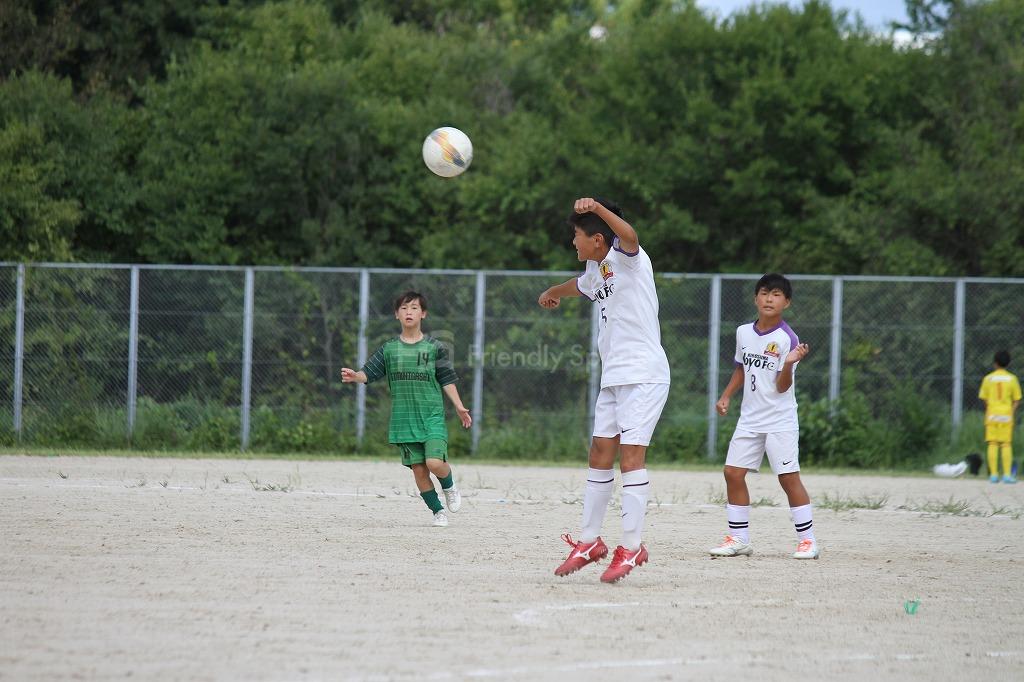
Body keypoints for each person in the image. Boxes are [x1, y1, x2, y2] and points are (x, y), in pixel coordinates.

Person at [538, 197, 670, 583]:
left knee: (631, 460)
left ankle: (631, 547)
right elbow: (576, 286)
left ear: (598, 238)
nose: (573, 243)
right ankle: (589, 542)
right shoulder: (596, 271)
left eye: (577, 236)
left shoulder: (628, 257)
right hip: (614, 377)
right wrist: (553, 292)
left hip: (644, 375)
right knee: (599, 453)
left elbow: (629, 234)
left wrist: (595, 206)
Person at [710, 273, 818, 560]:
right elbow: (740, 368)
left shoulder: (787, 338)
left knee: (787, 478)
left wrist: (788, 363)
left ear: (787, 302)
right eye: (764, 293)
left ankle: (807, 541)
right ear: (756, 297)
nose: (770, 299)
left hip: (779, 420)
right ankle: (739, 538)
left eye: (777, 295)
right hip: (750, 418)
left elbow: (783, 387)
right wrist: (726, 395)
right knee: (732, 473)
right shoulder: (744, 332)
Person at [341, 291, 472, 526]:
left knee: (434, 463)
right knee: (419, 471)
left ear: (423, 314)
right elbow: (368, 373)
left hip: (431, 416)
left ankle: (449, 485)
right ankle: (437, 511)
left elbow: (447, 379)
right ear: (396, 314)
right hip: (404, 419)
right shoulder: (389, 349)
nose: (408, 312)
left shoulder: (434, 347)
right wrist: (355, 376)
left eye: (413, 308)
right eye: (403, 308)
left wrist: (460, 406)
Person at [978, 350, 1021, 484]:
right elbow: (1017, 399)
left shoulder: (988, 378)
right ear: (1008, 363)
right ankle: (1007, 475)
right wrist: (1011, 411)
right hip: (1006, 415)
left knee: (992, 443)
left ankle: (994, 475)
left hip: (992, 414)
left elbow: (984, 398)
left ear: (995, 363)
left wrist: (990, 408)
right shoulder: (1012, 379)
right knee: (1006, 444)